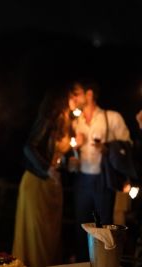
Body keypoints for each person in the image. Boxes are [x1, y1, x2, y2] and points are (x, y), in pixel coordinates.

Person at [12, 87, 77, 267]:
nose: (76, 98)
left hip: (54, 185)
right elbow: (29, 147)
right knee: (36, 235)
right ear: (62, 97)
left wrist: (67, 162)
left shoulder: (68, 121)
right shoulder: (49, 120)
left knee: (51, 236)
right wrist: (47, 169)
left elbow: (58, 156)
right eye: (73, 94)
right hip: (36, 182)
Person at [69, 79, 131, 262]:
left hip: (104, 180)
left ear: (89, 94)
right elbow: (72, 151)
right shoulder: (76, 121)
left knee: (104, 226)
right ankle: (83, 262)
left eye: (77, 93)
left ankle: (105, 262)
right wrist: (73, 155)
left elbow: (127, 146)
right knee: (81, 226)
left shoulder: (112, 117)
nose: (74, 97)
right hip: (82, 180)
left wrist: (108, 148)